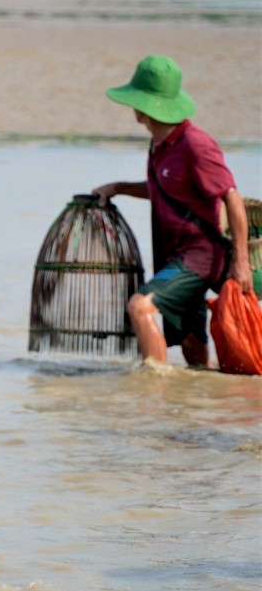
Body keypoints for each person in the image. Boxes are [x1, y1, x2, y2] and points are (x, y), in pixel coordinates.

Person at [94, 54, 251, 368]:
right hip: (175, 256)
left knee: (141, 307)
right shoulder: (159, 143)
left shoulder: (196, 145)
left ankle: (154, 394)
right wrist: (118, 187)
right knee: (192, 348)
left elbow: (231, 198)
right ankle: (184, 410)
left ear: (144, 106)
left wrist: (242, 262)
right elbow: (164, 189)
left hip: (200, 256)